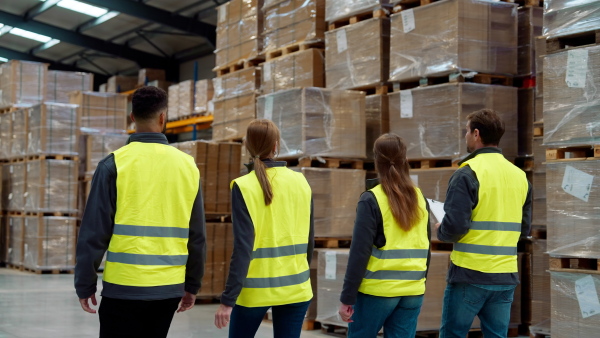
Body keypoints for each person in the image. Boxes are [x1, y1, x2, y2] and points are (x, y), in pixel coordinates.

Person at [74, 86, 206, 338]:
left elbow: (93, 231)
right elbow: (197, 234)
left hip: (124, 287)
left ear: (132, 117)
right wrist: (193, 284)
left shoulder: (113, 164)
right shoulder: (187, 166)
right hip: (168, 289)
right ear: (163, 117)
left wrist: (85, 283)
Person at [214, 119, 314, 338]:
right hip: (296, 288)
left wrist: (228, 300)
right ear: (276, 146)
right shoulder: (301, 182)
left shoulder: (244, 186)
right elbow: (310, 241)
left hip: (254, 291)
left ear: (248, 147)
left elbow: (243, 248)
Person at [436, 109, 532, 338]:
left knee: (453, 334)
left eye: (466, 131)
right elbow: (524, 229)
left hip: (470, 274)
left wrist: (441, 230)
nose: (465, 136)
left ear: (476, 134)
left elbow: (456, 227)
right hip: (505, 276)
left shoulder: (468, 173)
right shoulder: (519, 176)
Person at [338, 133, 431, 338]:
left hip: (377, 291)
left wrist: (347, 297)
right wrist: (420, 283)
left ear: (376, 161)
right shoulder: (420, 197)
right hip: (412, 291)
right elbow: (427, 248)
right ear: (405, 160)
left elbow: (359, 253)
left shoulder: (371, 200)